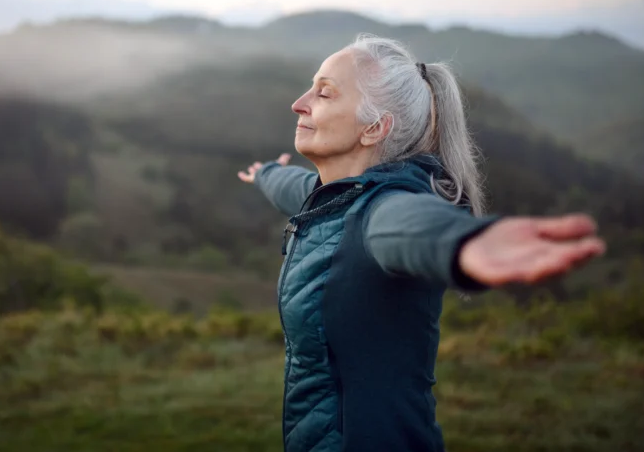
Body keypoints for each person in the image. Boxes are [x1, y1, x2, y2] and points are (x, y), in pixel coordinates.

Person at [237, 34, 605, 452]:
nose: (299, 103)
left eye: (324, 93)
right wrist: (266, 174)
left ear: (374, 128)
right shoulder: (336, 197)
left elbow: (410, 226)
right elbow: (299, 188)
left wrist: (464, 242)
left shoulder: (382, 210)